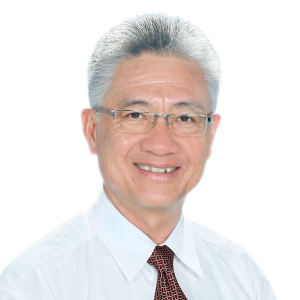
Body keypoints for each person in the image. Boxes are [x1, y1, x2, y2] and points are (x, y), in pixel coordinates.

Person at [0, 12, 277, 300]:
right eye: (135, 115)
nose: (160, 144)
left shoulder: (245, 279)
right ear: (92, 130)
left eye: (185, 118)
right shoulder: (33, 286)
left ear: (211, 136)